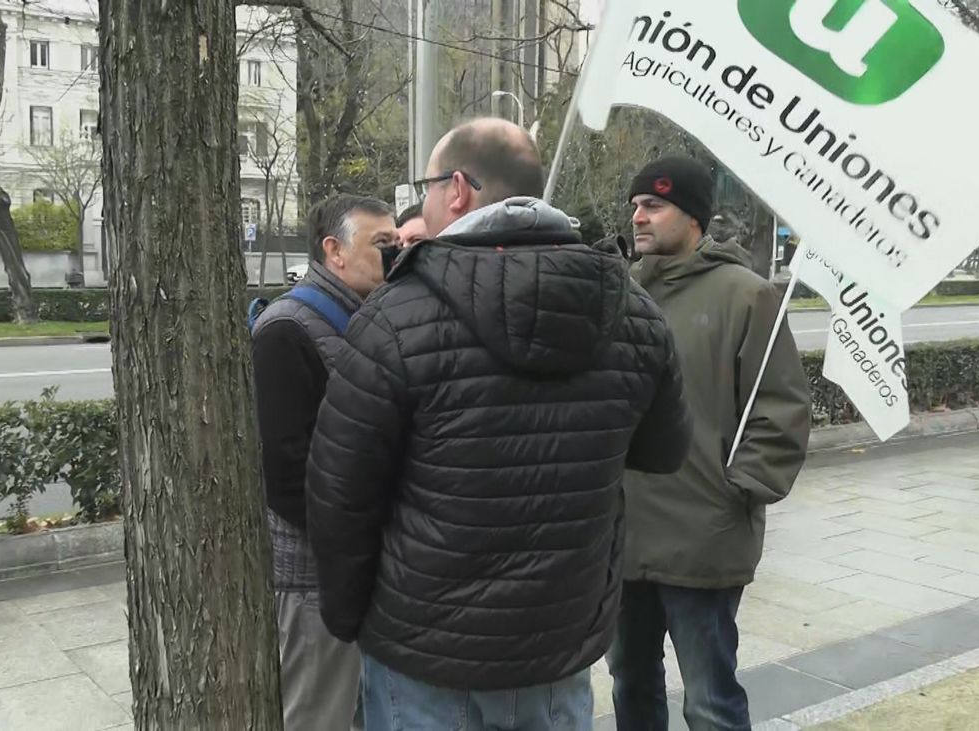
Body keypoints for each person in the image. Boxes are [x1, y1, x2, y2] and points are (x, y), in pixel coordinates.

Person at [304, 118, 694, 730]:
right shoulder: (635, 312)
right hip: (559, 642)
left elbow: (341, 495)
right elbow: (665, 449)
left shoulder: (393, 316)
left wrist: (351, 619)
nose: (425, 200)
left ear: (456, 190)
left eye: (427, 185)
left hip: (425, 653)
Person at [609, 156, 812, 731]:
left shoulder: (748, 297)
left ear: (693, 216)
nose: (638, 217)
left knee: (709, 698)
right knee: (630, 681)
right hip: (623, 538)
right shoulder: (621, 293)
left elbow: (782, 408)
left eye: (653, 205)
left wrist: (738, 490)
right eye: (635, 206)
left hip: (704, 537)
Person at [250, 193, 397, 731]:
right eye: (384, 245)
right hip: (311, 583)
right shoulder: (287, 331)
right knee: (315, 717)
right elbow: (284, 475)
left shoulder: (359, 321)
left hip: (350, 575)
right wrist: (355, 539)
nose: (396, 257)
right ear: (334, 250)